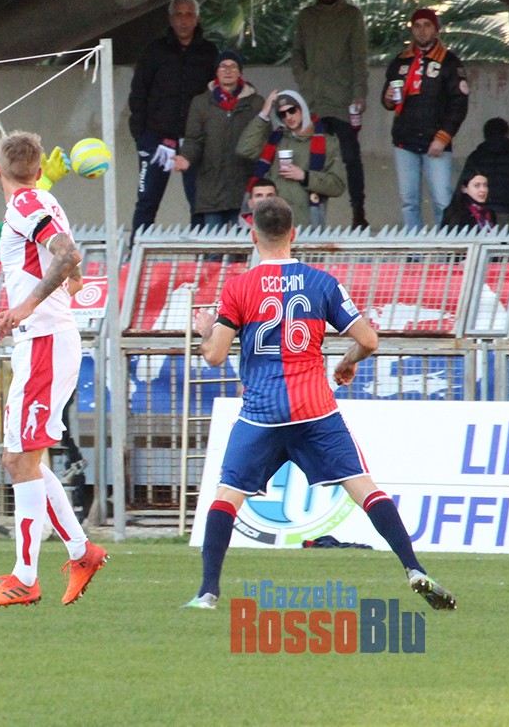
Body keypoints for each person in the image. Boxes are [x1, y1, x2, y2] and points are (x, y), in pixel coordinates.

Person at [183, 196, 456, 612]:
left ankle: (207, 593)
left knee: (228, 495)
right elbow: (369, 340)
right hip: (315, 409)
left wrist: (206, 329)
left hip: (262, 412)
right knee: (363, 487)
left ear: (253, 236)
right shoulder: (322, 282)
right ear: (293, 234)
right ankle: (413, 568)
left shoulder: (238, 287)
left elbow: (215, 356)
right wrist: (347, 361)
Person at [0, 131, 108, 608]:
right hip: (43, 341)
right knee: (20, 460)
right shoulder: (44, 201)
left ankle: (25, 577)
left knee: (21, 461)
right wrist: (50, 293)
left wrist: (26, 307)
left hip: (45, 342)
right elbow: (72, 268)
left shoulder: (25, 204)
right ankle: (81, 552)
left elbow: (68, 256)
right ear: (36, 168)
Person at [128, 0, 218, 238]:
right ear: (170, 19)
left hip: (194, 141)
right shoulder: (154, 50)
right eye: (178, 15)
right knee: (147, 200)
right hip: (156, 138)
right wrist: (140, 136)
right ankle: (136, 252)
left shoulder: (209, 52)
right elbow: (138, 92)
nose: (183, 21)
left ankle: (202, 256)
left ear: (197, 19)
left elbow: (215, 96)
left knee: (200, 203)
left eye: (189, 15)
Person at [382, 8, 469, 228]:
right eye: (417, 26)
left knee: (442, 200)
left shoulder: (450, 62)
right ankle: (414, 248)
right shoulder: (400, 61)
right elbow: (388, 99)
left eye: (427, 25)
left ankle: (445, 247)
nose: (422, 31)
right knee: (408, 202)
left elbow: (459, 105)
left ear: (436, 29)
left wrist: (443, 137)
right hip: (404, 140)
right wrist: (388, 98)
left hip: (436, 141)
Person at [292, 0, 370, 228]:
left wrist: (359, 93)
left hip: (343, 101)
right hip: (313, 101)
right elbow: (297, 53)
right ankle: (314, 217)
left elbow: (359, 57)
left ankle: (358, 212)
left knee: (351, 158)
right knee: (313, 159)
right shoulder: (306, 16)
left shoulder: (351, 15)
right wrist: (304, 80)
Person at [173, 51, 264, 228]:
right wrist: (186, 157)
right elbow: (193, 139)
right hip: (211, 187)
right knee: (213, 242)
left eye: (233, 67)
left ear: (240, 72)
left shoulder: (256, 103)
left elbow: (262, 139)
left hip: (244, 186)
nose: (228, 71)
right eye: (223, 66)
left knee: (243, 242)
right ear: (216, 71)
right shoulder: (200, 102)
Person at [237, 89, 345, 227]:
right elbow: (245, 149)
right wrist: (264, 113)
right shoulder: (275, 140)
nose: (288, 116)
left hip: (307, 222)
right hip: (272, 222)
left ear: (302, 109)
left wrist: (305, 176)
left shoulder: (328, 142)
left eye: (292, 110)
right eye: (282, 114)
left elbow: (337, 186)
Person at [459, 118, 509, 226]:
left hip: (480, 212)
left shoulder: (476, 156)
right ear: (507, 133)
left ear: (485, 135)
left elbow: (465, 182)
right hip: (508, 209)